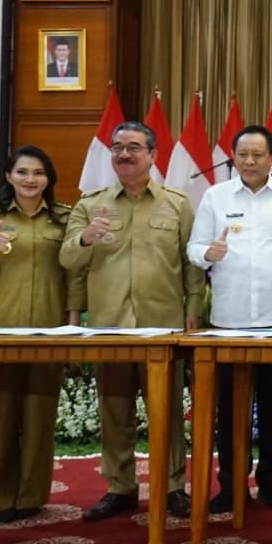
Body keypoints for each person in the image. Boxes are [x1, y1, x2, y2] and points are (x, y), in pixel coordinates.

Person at [60, 121, 203, 521]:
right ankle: (120, 486)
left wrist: (194, 308)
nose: (125, 154)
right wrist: (86, 237)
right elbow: (68, 261)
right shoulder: (90, 204)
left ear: (153, 155)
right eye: (118, 147)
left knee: (168, 411)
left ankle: (173, 486)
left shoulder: (176, 203)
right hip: (109, 325)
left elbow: (191, 264)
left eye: (134, 147)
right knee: (114, 408)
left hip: (163, 325)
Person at [187, 124, 272, 512]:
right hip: (230, 320)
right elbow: (193, 246)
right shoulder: (216, 195)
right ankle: (229, 484)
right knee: (231, 411)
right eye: (242, 154)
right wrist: (208, 254)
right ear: (234, 157)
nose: (250, 161)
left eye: (258, 154)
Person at [0, 146, 74, 523]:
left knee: (38, 412)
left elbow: (72, 273)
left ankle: (31, 495)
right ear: (9, 176)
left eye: (39, 173)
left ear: (49, 179)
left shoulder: (63, 219)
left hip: (49, 327)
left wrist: (73, 322)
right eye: (23, 172)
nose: (31, 179)